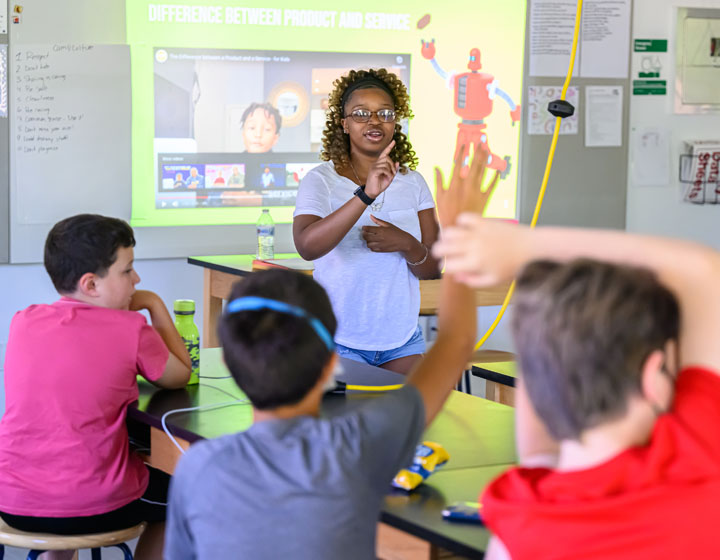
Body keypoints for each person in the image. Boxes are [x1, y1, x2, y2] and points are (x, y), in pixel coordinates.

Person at [164, 149, 497, 560]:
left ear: (229, 364)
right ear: (329, 366)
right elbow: (456, 342)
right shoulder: (358, 445)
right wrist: (465, 225)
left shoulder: (197, 469)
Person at [433, 216, 720, 559]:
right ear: (653, 376)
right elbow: (704, 271)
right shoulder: (698, 464)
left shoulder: (519, 527)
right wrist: (522, 246)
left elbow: (538, 447)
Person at [0, 214, 192, 560]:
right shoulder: (131, 328)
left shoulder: (23, 320)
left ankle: (54, 556)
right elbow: (180, 375)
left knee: (68, 462)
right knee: (181, 496)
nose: (137, 278)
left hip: (12, 499)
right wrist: (153, 304)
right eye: (127, 270)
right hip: (90, 503)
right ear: (91, 284)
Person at [293, 68, 441, 375]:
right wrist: (366, 194)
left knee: (408, 422)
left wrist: (407, 245)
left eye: (384, 113)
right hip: (338, 339)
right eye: (361, 114)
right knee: (349, 424)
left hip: (402, 340)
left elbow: (432, 269)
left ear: (395, 122)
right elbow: (307, 247)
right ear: (344, 124)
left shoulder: (414, 183)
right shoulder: (321, 181)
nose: (374, 121)